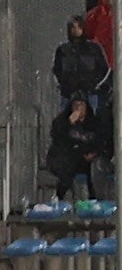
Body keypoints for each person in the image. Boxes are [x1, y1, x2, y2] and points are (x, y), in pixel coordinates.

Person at [46, 17, 115, 204]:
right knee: (67, 130)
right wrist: (68, 90)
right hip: (70, 95)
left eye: (78, 27)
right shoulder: (64, 50)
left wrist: (93, 87)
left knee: (93, 127)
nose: (76, 31)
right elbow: (57, 72)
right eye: (72, 27)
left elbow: (105, 71)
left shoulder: (93, 49)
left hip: (91, 94)